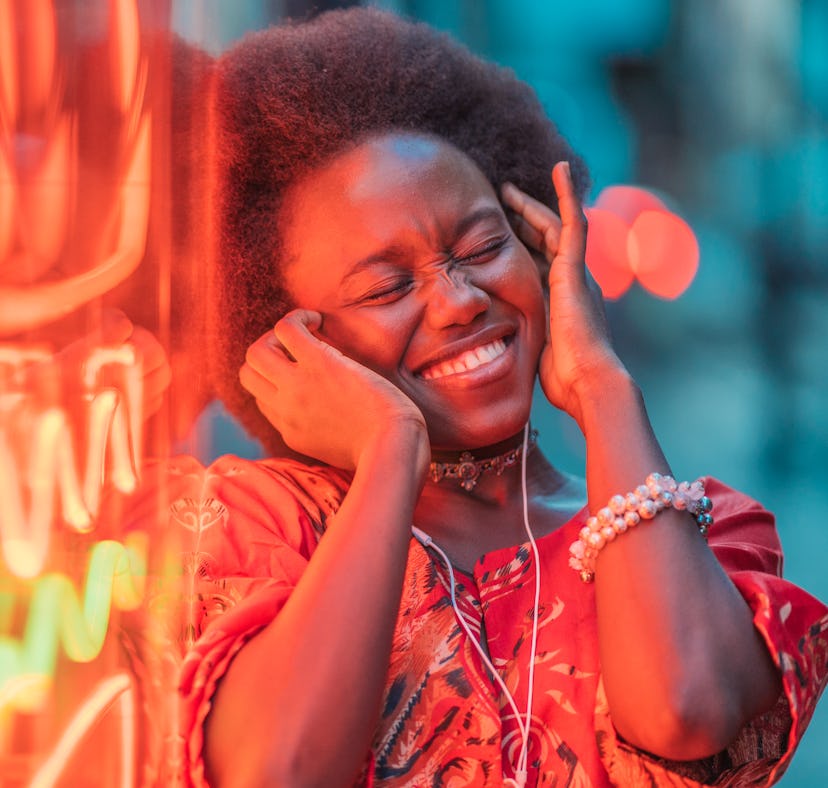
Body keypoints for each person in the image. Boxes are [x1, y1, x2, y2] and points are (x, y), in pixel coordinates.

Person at [178, 8, 828, 787]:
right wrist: (390, 451)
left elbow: (686, 711)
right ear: (288, 341)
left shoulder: (700, 534)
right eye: (386, 286)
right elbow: (277, 768)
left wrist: (600, 383)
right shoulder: (253, 529)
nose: (459, 301)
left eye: (485, 247)